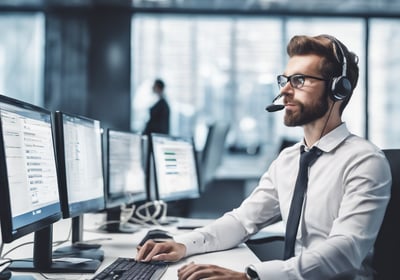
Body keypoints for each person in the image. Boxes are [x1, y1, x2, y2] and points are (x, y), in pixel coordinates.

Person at [136, 35, 392, 280]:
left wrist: (252, 277)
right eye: (285, 80)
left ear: (338, 89)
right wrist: (182, 245)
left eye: (300, 80)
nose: (284, 92)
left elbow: (345, 250)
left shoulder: (365, 161)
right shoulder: (288, 160)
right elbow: (242, 221)